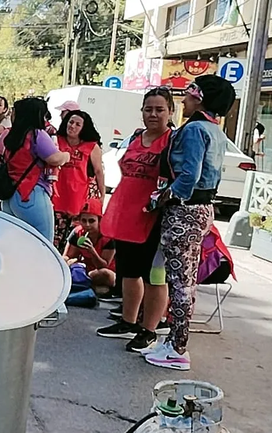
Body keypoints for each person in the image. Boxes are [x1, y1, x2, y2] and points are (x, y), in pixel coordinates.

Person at [143, 75, 236, 371]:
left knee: (180, 282)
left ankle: (177, 347)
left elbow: (188, 176)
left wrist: (162, 199)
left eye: (189, 93)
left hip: (185, 210)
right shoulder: (214, 129)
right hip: (203, 209)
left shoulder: (195, 129)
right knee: (185, 279)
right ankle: (174, 340)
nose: (184, 99)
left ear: (200, 97)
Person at [96, 88, 173, 351]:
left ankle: (149, 329)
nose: (153, 114)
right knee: (128, 271)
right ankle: (128, 321)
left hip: (154, 217)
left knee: (154, 276)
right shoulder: (135, 138)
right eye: (148, 109)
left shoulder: (173, 141)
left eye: (159, 109)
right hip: (125, 214)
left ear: (171, 112)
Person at [0, 97, 70, 241]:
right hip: (31, 195)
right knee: (44, 245)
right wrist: (66, 155)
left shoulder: (11, 135)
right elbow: (54, 158)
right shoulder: (36, 135)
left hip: (9, 197)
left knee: (15, 245)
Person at [53, 110, 104, 251]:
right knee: (54, 239)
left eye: (77, 124)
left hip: (80, 200)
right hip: (57, 198)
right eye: (71, 122)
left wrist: (102, 196)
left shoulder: (92, 146)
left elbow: (99, 171)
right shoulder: (56, 141)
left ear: (83, 128)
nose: (73, 126)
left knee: (73, 243)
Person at [63, 198, 116, 288]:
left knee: (105, 274)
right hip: (84, 270)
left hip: (105, 272)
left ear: (99, 220)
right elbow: (68, 256)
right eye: (83, 220)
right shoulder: (77, 233)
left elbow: (103, 266)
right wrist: (66, 261)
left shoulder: (108, 237)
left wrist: (92, 251)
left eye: (91, 221)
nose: (87, 225)